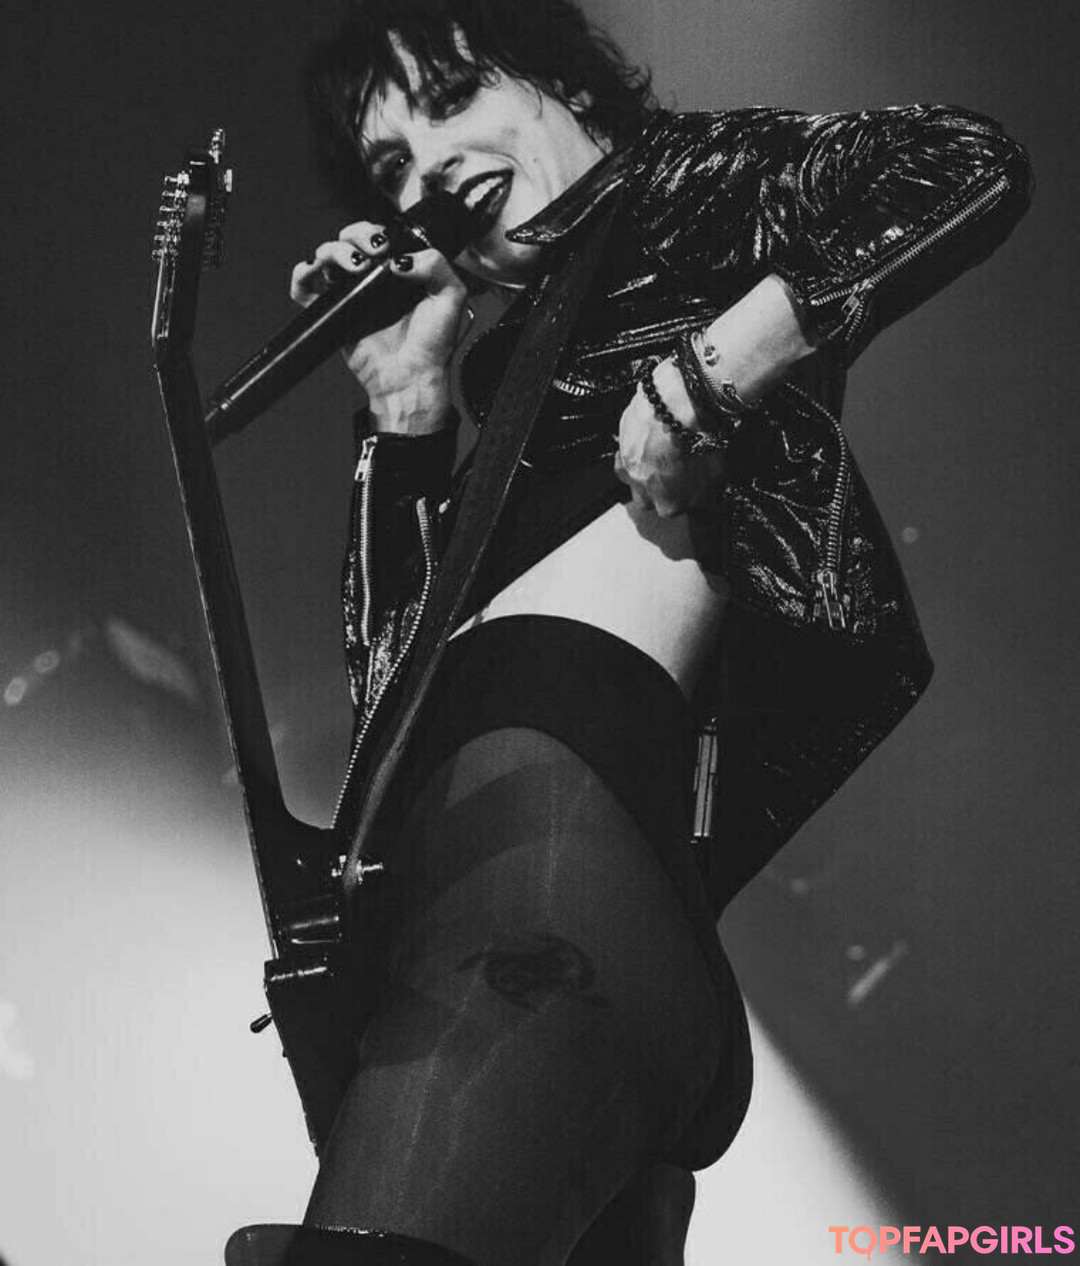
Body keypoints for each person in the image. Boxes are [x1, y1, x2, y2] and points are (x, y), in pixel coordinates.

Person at [233, 2, 1032, 1262]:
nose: (428, 169)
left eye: (452, 101)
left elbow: (963, 164)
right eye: (392, 164)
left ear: (566, 86)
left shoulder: (686, 186)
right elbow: (391, 705)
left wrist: (719, 367)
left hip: (557, 891)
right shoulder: (502, 391)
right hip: (474, 905)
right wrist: (406, 402)